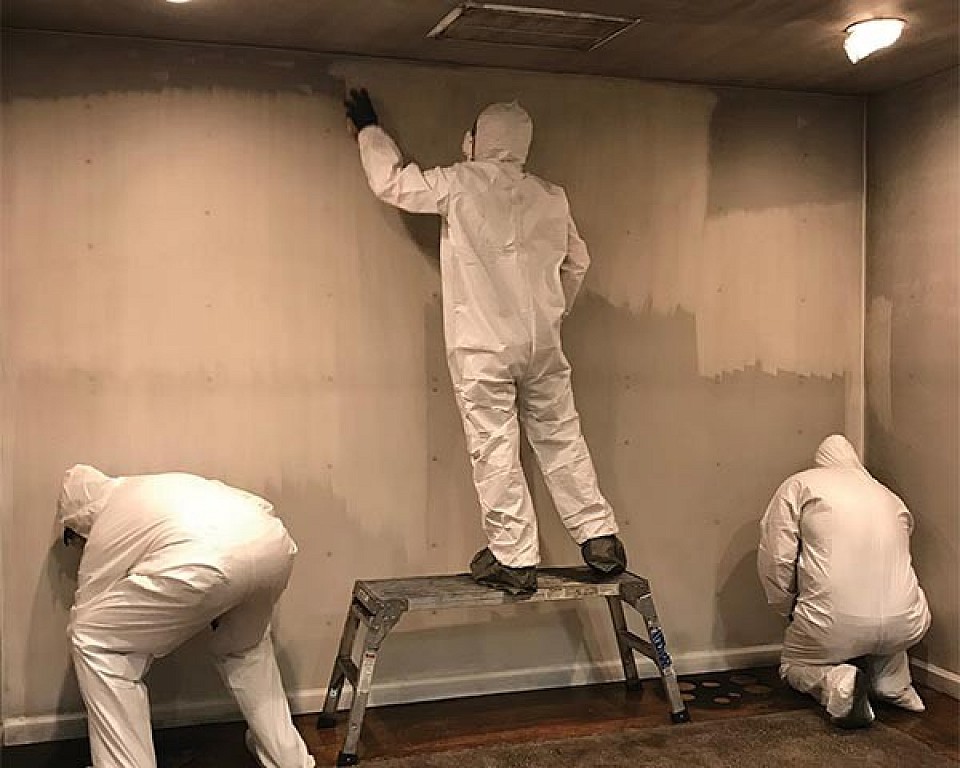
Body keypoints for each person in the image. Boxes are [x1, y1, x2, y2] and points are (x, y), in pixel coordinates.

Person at [344, 88, 626, 595]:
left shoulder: (460, 183)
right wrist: (551, 311)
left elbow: (393, 184)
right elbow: (578, 262)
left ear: (479, 140)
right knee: (562, 437)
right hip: (542, 344)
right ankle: (599, 537)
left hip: (483, 347)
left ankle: (514, 559)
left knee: (493, 446)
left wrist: (370, 130)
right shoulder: (551, 196)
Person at [57, 464, 315, 768]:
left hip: (208, 562)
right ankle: (291, 761)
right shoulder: (159, 486)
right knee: (245, 650)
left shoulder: (107, 523)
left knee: (94, 642)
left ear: (80, 520)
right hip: (272, 546)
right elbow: (261, 507)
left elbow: (91, 603)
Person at [757, 435, 931, 728]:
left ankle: (840, 683)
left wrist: (785, 606)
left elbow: (777, 557)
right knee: (890, 622)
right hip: (909, 622)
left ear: (821, 462)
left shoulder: (799, 485)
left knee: (793, 665)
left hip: (832, 623)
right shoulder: (888, 495)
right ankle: (894, 686)